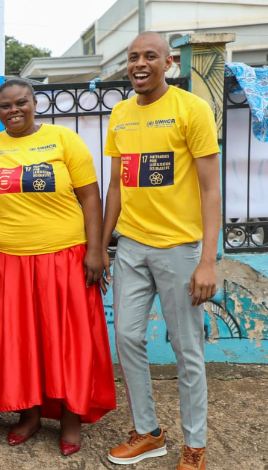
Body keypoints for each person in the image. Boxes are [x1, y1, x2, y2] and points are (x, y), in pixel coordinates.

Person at [0, 78, 116, 456]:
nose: (14, 110)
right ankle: (30, 413)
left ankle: (71, 419)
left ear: (35, 103)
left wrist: (96, 250)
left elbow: (91, 197)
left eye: (21, 102)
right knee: (20, 341)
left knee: (68, 340)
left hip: (65, 256)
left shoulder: (63, 139)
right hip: (7, 261)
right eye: (5, 106)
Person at [102, 32, 221, 470]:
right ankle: (149, 433)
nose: (139, 63)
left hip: (179, 250)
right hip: (131, 247)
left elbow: (211, 190)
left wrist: (208, 260)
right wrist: (101, 247)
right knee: (127, 337)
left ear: (168, 62)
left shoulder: (192, 110)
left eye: (149, 56)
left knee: (187, 350)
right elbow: (116, 187)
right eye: (133, 57)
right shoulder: (119, 114)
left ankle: (195, 447)